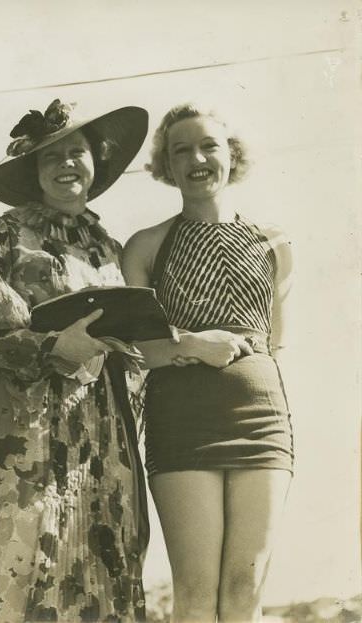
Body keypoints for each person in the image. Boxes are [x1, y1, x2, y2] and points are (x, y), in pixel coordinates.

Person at [0, 99, 150, 621]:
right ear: (34, 172)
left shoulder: (106, 245)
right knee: (20, 559)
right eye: (52, 158)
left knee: (98, 561)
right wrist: (53, 347)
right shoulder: (4, 235)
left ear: (97, 162)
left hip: (102, 434)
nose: (67, 165)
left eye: (77, 153)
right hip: (29, 429)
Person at [121, 103, 294, 622]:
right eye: (181, 150)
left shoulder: (274, 243)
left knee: (246, 587)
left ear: (231, 154)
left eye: (208, 145)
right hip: (182, 420)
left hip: (262, 420)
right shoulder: (147, 246)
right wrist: (194, 343)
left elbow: (274, 343)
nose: (196, 158)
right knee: (196, 593)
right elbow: (138, 352)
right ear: (166, 167)